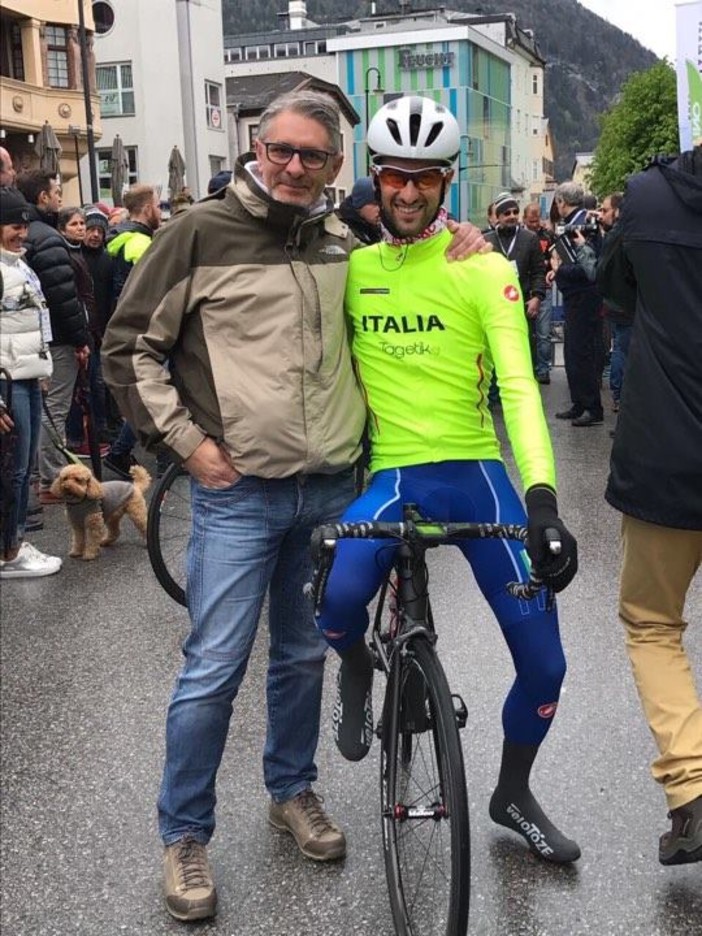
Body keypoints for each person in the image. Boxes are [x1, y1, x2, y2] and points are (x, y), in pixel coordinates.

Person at [102, 88, 486, 922]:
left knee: (302, 658)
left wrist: (466, 238)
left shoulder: (343, 241)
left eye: (312, 156)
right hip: (237, 495)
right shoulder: (197, 234)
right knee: (213, 668)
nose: (292, 166)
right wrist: (189, 447)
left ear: (334, 168)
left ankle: (291, 791)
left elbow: (414, 261)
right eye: (280, 149)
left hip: (330, 492)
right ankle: (184, 834)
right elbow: (129, 348)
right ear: (255, 144)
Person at [315, 95, 580, 867]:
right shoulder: (351, 266)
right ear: (374, 177)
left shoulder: (484, 266)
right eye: (395, 175)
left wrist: (541, 501)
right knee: (334, 601)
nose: (408, 191)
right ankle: (361, 667)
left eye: (425, 178)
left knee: (547, 665)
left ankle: (511, 793)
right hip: (394, 474)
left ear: (447, 180)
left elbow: (521, 388)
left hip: (476, 475)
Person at [598, 146, 702, 866]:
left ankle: (693, 788)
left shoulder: (646, 195)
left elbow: (617, 296)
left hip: (666, 451)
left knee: (653, 624)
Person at [15, 171, 90, 504]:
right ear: (42, 198)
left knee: (39, 409)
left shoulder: (25, 236)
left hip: (30, 337)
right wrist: (80, 339)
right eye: (56, 192)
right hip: (56, 339)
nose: (60, 198)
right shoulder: (47, 237)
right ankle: (53, 479)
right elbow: (63, 296)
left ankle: (39, 476)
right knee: (54, 409)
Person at [0, 186, 62, 578]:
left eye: (23, 225)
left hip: (27, 377)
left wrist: (42, 371)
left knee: (21, 470)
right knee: (14, 472)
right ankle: (9, 553)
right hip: (6, 384)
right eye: (12, 226)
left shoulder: (20, 266)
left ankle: (14, 543)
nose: (21, 233)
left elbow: (32, 324)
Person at [102, 184, 162, 477]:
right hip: (145, 328)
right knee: (157, 389)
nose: (161, 212)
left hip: (124, 327)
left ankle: (121, 451)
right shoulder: (139, 243)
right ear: (148, 208)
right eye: (159, 206)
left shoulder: (117, 238)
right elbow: (161, 289)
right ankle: (124, 452)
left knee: (147, 390)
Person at [551, 181, 604, 427]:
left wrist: (560, 272)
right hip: (575, 295)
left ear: (562, 201)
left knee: (583, 352)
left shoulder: (586, 225)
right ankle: (580, 402)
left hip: (585, 295)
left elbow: (589, 267)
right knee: (572, 351)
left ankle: (592, 408)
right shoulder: (573, 222)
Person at [485, 192, 546, 375]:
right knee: (495, 350)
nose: (512, 216)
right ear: (498, 217)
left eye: (514, 212)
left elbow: (538, 271)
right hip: (494, 305)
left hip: (522, 304)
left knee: (523, 350)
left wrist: (537, 296)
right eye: (507, 213)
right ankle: (495, 398)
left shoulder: (529, 238)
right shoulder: (487, 240)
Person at [522, 203, 555, 384]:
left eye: (536, 221)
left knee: (543, 333)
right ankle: (529, 368)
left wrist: (553, 271)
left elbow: (556, 256)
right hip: (525, 290)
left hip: (544, 289)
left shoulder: (547, 236)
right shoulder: (519, 237)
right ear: (525, 219)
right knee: (526, 333)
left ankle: (543, 369)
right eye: (531, 221)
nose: (534, 224)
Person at [336, 177, 381, 244]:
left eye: (381, 204)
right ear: (360, 204)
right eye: (375, 204)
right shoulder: (343, 229)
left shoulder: (372, 226)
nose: (380, 209)